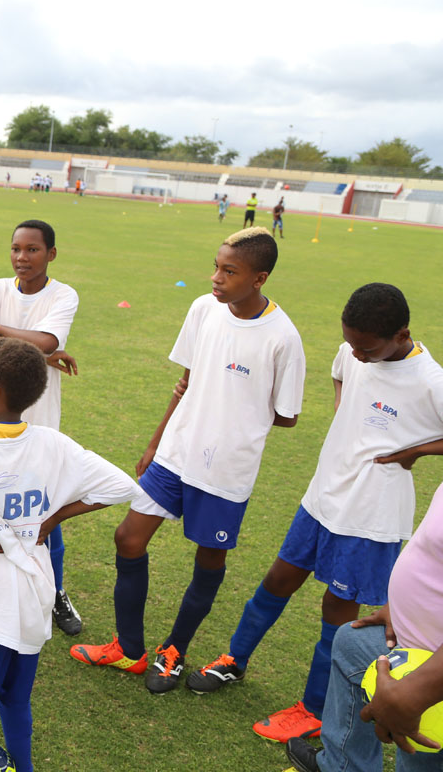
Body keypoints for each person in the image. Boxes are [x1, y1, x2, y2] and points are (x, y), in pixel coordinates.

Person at [187, 282, 443, 741]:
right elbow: (342, 371)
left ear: (402, 334)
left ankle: (313, 708)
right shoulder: (353, 353)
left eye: (367, 348)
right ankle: (234, 660)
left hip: (369, 513)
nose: (357, 354)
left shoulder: (430, 380)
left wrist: (419, 450)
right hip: (321, 496)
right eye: (352, 343)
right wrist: (348, 410)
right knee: (277, 580)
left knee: (336, 608)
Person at [71, 227, 306, 694]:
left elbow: (287, 416)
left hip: (225, 470)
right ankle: (130, 649)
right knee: (128, 537)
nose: (215, 278)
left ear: (259, 278)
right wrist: (157, 440)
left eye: (228, 271)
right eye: (216, 266)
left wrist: (232, 411)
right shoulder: (203, 309)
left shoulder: (283, 338)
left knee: (208, 558)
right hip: (174, 455)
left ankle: (174, 650)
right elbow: (186, 380)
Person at [0, 337, 150, 772]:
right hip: (31, 596)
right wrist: (49, 519)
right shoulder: (52, 444)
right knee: (15, 701)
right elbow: (121, 485)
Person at [0, 219, 83, 636]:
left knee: (44, 510)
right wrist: (35, 348)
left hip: (37, 422)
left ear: (50, 254)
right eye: (16, 248)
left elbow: (46, 341)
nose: (21, 258)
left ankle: (56, 592)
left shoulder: (64, 294)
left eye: (32, 250)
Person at [285, 480, 443, 772]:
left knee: (422, 756)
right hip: (417, 643)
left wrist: (417, 690)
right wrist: (404, 603)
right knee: (352, 642)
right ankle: (340, 766)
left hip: (432, 669)